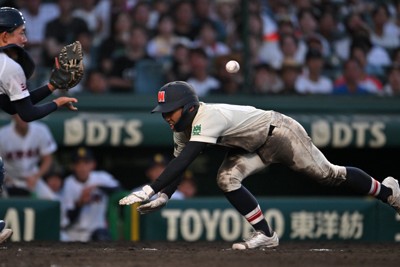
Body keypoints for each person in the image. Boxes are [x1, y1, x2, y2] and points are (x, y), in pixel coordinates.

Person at [119, 81, 400, 250]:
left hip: (279, 133)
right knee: (226, 179)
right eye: (164, 112)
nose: (166, 116)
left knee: (329, 175)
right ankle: (266, 235)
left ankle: (388, 192)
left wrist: (149, 189)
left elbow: (188, 158)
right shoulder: (180, 129)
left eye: (170, 111)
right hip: (252, 147)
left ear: (189, 107)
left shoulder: (208, 115)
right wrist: (165, 194)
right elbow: (178, 164)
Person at [0, 6, 79, 244]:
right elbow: (27, 113)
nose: (26, 39)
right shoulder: (8, 65)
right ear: (5, 36)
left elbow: (12, 105)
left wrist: (52, 87)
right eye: (21, 33)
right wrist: (58, 102)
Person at [61, 147, 120, 242]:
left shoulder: (101, 178)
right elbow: (68, 219)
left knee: (102, 236)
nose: (82, 167)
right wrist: (80, 203)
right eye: (78, 164)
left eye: (86, 163)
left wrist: (97, 187)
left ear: (93, 164)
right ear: (73, 166)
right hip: (72, 233)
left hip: (96, 232)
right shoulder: (68, 183)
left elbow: (120, 190)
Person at [0, 114, 58, 200]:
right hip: (10, 179)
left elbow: (47, 159)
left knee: (53, 201)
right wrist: (4, 178)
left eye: (25, 113)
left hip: (33, 177)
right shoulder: (3, 135)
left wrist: (36, 176)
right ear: (13, 116)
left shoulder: (41, 130)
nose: (23, 117)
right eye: (19, 114)